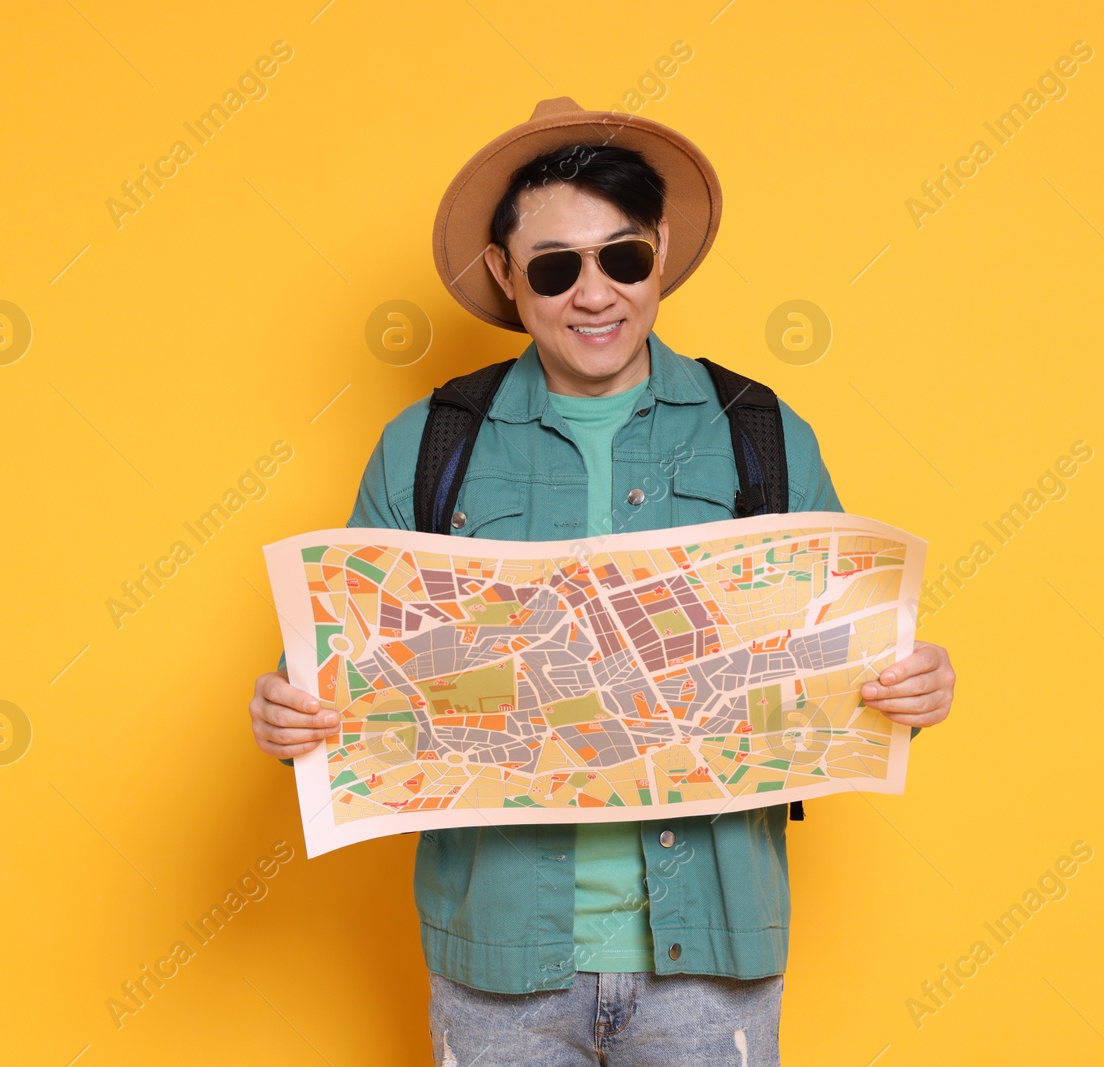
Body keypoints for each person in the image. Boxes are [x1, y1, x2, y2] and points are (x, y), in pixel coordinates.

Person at [247, 98, 956, 1066]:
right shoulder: (429, 442)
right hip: (497, 953)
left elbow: (844, 656)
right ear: (503, 272)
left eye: (621, 257)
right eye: (554, 266)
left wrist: (907, 685)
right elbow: (333, 670)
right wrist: (290, 712)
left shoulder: (760, 428)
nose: (594, 295)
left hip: (711, 949)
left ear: (659, 249)